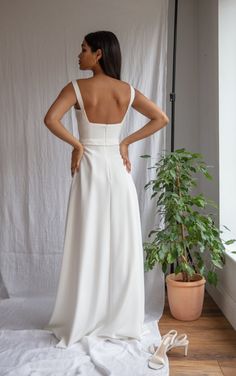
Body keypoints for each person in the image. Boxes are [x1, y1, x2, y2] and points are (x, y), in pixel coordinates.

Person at [43, 30, 169, 348]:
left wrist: (76, 145)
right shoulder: (126, 91)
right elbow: (161, 118)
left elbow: (50, 119)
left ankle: (85, 313)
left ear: (99, 54)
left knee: (87, 240)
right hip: (117, 169)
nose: (79, 54)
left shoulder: (76, 88)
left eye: (84, 49)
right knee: (119, 243)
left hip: (89, 170)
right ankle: (119, 317)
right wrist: (124, 141)